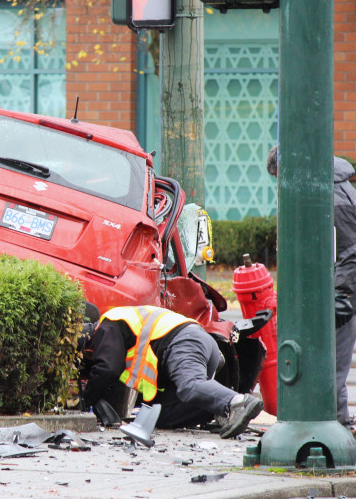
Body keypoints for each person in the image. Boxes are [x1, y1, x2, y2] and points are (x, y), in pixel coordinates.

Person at [267, 145, 356, 427]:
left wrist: (342, 295)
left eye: (282, 176)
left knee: (333, 368)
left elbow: (350, 251)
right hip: (331, 291)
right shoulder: (322, 189)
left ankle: (338, 432)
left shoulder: (334, 197)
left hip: (340, 294)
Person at [79, 305, 263, 438]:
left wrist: (85, 404)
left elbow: (106, 369)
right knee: (161, 417)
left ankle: (239, 402)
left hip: (184, 342)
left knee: (189, 386)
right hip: (197, 344)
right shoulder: (119, 334)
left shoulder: (107, 324)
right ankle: (219, 410)